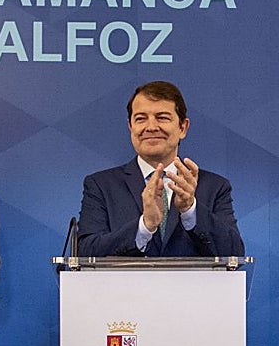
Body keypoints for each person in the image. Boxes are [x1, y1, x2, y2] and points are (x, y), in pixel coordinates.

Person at [77, 80, 244, 257]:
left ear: (182, 127)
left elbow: (234, 255)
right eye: (140, 119)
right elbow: (86, 254)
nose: (150, 127)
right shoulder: (101, 185)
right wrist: (144, 226)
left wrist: (190, 209)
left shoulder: (214, 186)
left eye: (162, 117)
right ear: (130, 127)